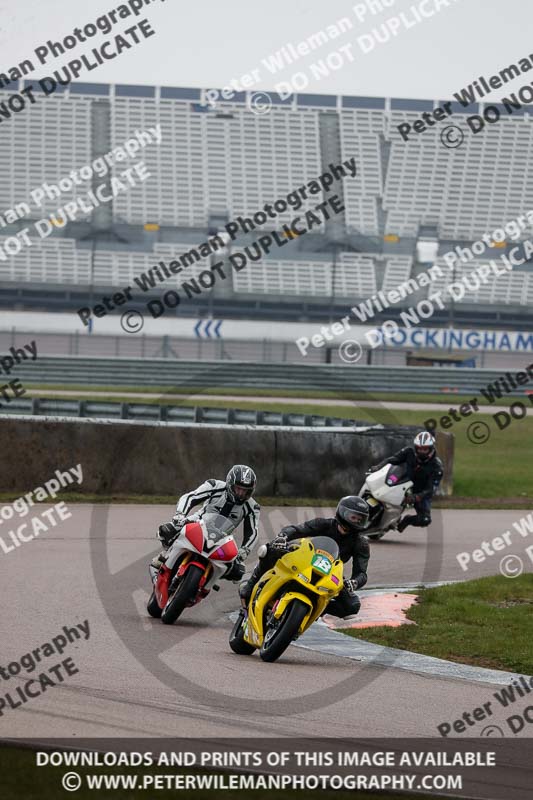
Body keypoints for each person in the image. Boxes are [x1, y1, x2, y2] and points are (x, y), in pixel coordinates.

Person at [239, 496, 371, 619]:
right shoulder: (324, 524)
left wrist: (354, 583)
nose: (357, 522)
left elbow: (361, 574)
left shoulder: (361, 543)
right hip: (306, 559)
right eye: (354, 517)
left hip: (329, 572)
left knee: (352, 606)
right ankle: (250, 586)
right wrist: (283, 537)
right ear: (343, 513)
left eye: (360, 519)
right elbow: (298, 529)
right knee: (270, 550)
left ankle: (316, 609)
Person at [153, 464, 260, 582]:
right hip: (197, 523)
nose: (240, 494)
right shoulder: (214, 485)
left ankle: (207, 582)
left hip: (222, 538)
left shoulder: (252, 507)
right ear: (230, 484)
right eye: (238, 488)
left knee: (238, 571)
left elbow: (253, 532)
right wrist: (180, 514)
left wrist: (244, 550)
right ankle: (165, 556)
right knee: (167, 530)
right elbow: (190, 497)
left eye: (245, 491)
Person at [368, 431, 443, 533]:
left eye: (425, 449)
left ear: (431, 448)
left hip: (420, 491)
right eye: (419, 448)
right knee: (380, 487)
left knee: (425, 520)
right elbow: (393, 459)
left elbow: (430, 489)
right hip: (403, 480)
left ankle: (406, 520)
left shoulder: (436, 467)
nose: (421, 452)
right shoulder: (409, 452)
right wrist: (378, 467)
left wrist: (416, 497)